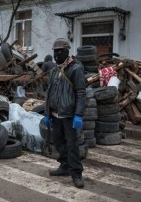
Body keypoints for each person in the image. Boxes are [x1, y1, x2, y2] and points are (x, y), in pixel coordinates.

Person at [43, 38, 86, 188]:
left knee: (72, 145)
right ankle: (64, 166)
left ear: (67, 51)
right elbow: (49, 93)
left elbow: (81, 93)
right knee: (59, 142)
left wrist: (78, 115)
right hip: (55, 114)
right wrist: (47, 113)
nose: (57, 54)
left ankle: (76, 173)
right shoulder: (54, 70)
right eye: (55, 51)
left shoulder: (76, 69)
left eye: (60, 51)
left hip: (69, 115)